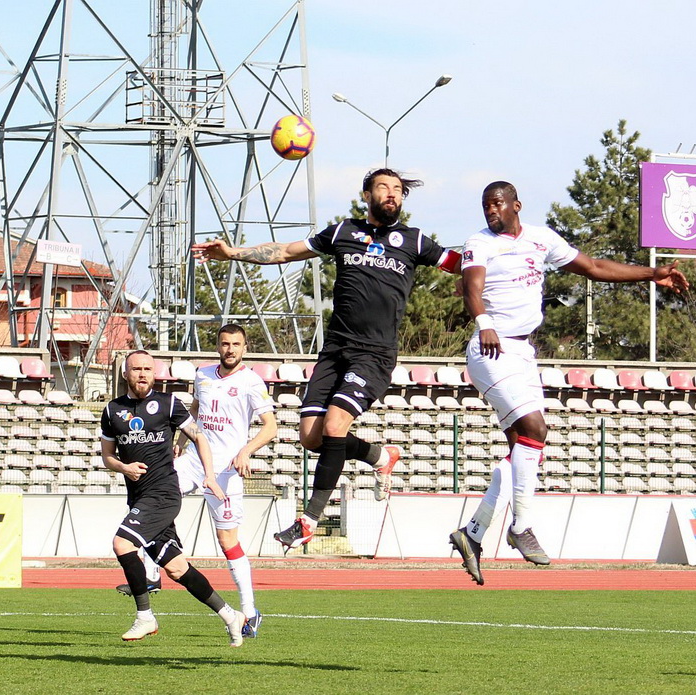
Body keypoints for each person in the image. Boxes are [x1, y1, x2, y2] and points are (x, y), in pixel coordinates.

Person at [193, 168, 462, 549]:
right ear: (366, 194)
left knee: (335, 425)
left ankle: (308, 520)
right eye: (383, 187)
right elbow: (286, 252)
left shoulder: (414, 241)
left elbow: (458, 263)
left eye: (398, 190)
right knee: (311, 437)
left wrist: (484, 269)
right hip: (335, 351)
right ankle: (379, 455)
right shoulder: (342, 233)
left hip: (374, 354)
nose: (392, 194)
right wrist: (234, 253)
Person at [449, 181, 689, 585]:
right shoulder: (480, 242)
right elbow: (471, 287)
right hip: (490, 347)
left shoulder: (541, 238)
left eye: (497, 204)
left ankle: (472, 533)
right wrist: (484, 321)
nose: (491, 211)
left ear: (516, 205)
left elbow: (593, 267)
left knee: (524, 452)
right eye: (486, 205)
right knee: (535, 429)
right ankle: (521, 526)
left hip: (522, 352)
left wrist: (652, 274)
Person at [101, 350, 247, 646]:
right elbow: (107, 456)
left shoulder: (168, 404)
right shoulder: (112, 410)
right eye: (136, 369)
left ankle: (145, 616)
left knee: (122, 543)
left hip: (164, 493)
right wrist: (123, 467)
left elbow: (199, 436)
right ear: (125, 374)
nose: (142, 374)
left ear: (154, 374)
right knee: (177, 568)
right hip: (139, 497)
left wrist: (209, 475)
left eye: (147, 369)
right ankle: (231, 615)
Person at [171, 324, 277, 637]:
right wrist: (181, 439)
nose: (230, 349)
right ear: (218, 346)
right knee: (158, 498)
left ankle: (250, 612)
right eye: (225, 343)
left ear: (244, 348)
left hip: (226, 469)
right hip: (194, 459)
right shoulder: (202, 374)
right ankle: (151, 575)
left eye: (236, 344)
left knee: (227, 541)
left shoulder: (251, 381)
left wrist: (246, 451)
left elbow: (270, 427)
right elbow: (195, 410)